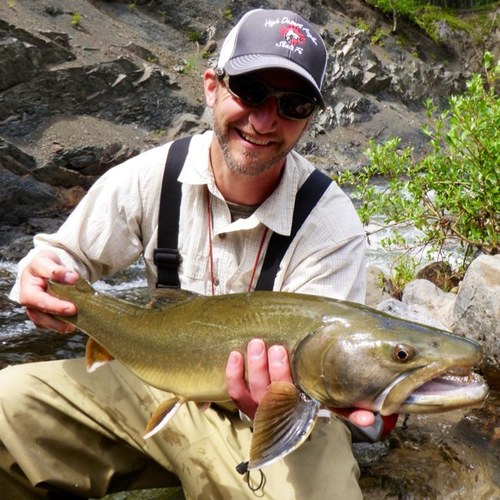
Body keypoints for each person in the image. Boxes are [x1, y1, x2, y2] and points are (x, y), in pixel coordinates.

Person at [0, 8, 383, 499]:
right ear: (211, 86)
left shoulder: (330, 224)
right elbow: (62, 259)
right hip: (151, 381)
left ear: (311, 116)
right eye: (250, 91)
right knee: (7, 404)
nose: (265, 119)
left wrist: (283, 401)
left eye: (294, 104)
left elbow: (323, 381)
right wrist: (41, 277)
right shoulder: (149, 177)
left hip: (264, 417)